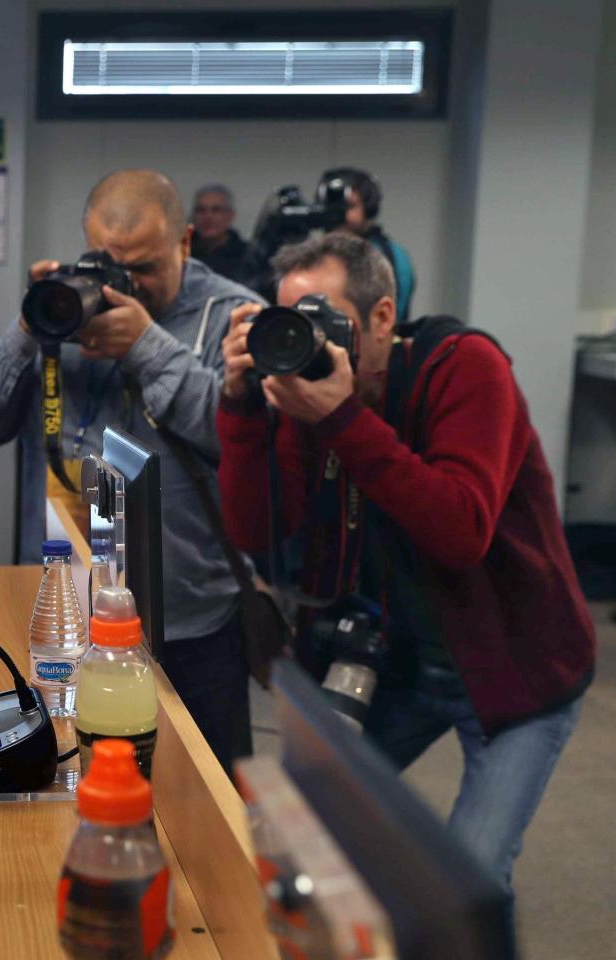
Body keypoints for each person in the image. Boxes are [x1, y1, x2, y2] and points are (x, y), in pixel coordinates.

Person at [216, 232, 594, 916]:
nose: (309, 341)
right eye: (290, 322)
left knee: (467, 881)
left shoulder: (466, 369)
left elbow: (460, 531)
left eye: (327, 321)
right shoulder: (310, 397)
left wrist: (342, 419)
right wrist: (242, 407)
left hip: (517, 669)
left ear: (384, 317)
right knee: (306, 832)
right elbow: (256, 533)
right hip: (399, 662)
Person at [0, 169, 265, 770]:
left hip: (189, 621)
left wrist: (147, 344)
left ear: (186, 244)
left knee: (205, 801)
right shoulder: (66, 308)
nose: (129, 283)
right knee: (73, 782)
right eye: (110, 261)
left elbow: (236, 443)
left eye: (145, 267)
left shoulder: (231, 316)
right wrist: (30, 327)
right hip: (67, 617)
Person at [323, 167, 417, 323]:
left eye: (349, 206)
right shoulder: (313, 253)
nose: (337, 215)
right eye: (332, 207)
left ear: (369, 209)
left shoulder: (392, 257)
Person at [190, 184, 249, 283]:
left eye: (216, 210)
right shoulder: (180, 254)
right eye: (201, 210)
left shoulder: (248, 257)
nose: (207, 217)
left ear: (230, 216)